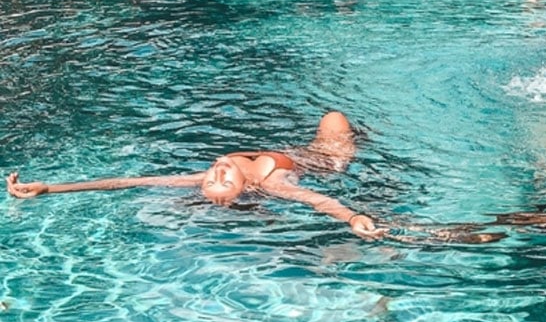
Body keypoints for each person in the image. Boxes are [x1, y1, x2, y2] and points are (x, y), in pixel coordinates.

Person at [5, 111, 502, 245]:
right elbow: (315, 200)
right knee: (335, 119)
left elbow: (126, 183)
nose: (218, 173)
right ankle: (371, 136)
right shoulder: (270, 185)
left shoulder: (197, 178)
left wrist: (53, 188)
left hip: (291, 149)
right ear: (245, 191)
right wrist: (352, 216)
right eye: (225, 181)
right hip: (327, 160)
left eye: (212, 180)